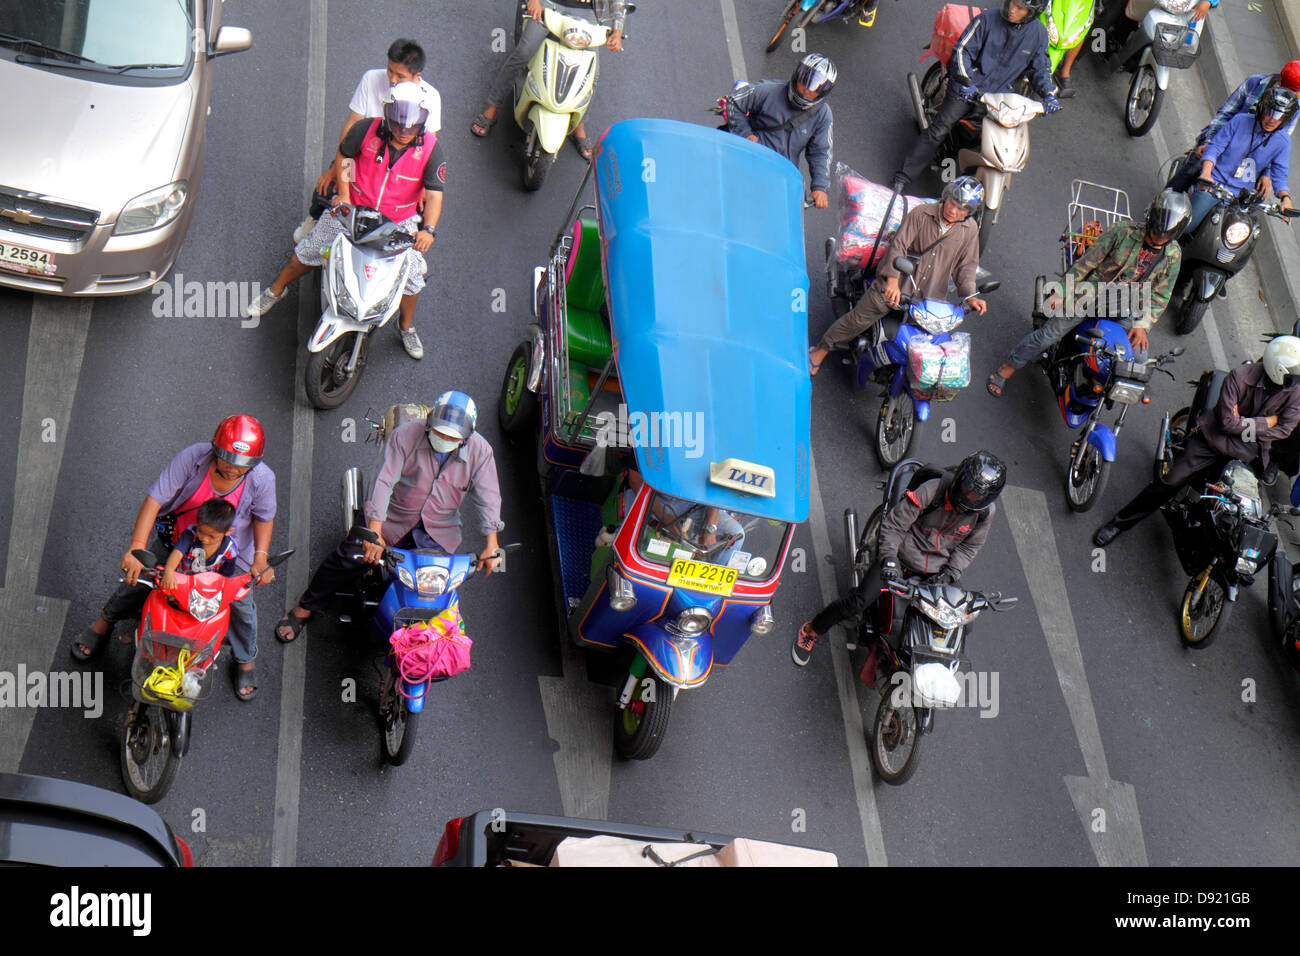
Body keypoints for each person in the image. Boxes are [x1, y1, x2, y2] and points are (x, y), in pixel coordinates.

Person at [71, 415, 278, 701]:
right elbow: (155, 499)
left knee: (242, 604)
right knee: (140, 579)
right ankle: (105, 621)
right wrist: (136, 547)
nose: (232, 469)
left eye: (241, 466)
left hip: (232, 552)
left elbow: (264, 518)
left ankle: (245, 658)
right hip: (181, 540)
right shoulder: (192, 459)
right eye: (227, 460)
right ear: (215, 450)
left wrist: (260, 558)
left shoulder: (263, 479)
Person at [275, 391, 505, 642]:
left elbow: (489, 496)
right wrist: (374, 532)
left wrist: (491, 543)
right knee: (348, 558)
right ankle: (306, 607)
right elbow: (382, 482)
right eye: (439, 433)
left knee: (434, 593)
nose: (444, 438)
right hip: (391, 519)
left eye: (452, 437)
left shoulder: (481, 452)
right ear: (429, 423)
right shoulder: (405, 435)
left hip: (438, 531)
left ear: (466, 437)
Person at [245, 83, 446, 360]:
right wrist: (345, 193)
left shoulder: (432, 149)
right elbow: (344, 156)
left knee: (412, 277)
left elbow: (434, 195)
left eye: (410, 128)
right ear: (387, 117)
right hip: (354, 210)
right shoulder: (365, 130)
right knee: (309, 250)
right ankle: (275, 290)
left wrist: (428, 230)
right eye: (398, 127)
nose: (403, 133)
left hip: (398, 221)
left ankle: (406, 327)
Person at [792, 451, 1005, 666]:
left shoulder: (985, 514)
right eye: (967, 488)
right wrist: (890, 560)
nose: (969, 495)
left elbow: (969, 548)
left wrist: (950, 573)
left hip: (937, 571)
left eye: (976, 496)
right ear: (961, 478)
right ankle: (813, 629)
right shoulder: (932, 490)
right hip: (901, 557)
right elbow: (894, 526)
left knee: (961, 624)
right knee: (859, 601)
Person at [1094, 337, 1300, 547]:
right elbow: (1227, 423)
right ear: (1279, 370)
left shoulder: (1295, 392)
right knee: (1170, 482)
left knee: (1245, 511)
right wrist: (1265, 423)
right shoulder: (1239, 377)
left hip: (1248, 449)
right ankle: (1119, 523)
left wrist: (1245, 424)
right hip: (1213, 438)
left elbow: (1284, 428)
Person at [987, 188, 1189, 396]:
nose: (1157, 239)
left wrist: (1143, 325)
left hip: (1126, 306)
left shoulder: (1173, 255)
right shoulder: (1122, 232)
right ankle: (1007, 368)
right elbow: (1086, 264)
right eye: (1155, 233)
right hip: (1091, 293)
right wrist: (1063, 291)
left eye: (1164, 237)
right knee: (1047, 336)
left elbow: (1160, 295)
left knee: (1138, 360)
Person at [809, 176, 986, 376]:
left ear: (968, 212)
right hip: (899, 282)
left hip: (929, 295)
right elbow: (899, 245)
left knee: (931, 342)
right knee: (859, 319)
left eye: (961, 209)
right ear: (947, 197)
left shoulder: (969, 230)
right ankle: (821, 350)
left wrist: (971, 296)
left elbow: (967, 266)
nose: (953, 211)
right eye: (953, 203)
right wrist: (892, 280)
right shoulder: (921, 214)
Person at [895, 0, 1060, 189]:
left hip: (998, 99)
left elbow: (1040, 68)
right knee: (939, 130)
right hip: (967, 87)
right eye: (1012, 3)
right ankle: (903, 177)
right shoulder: (987, 19)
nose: (1012, 10)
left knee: (991, 142)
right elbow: (962, 50)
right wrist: (966, 81)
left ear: (1031, 13)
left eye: (1020, 8)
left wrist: (1048, 94)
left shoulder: (1038, 34)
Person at [296, 39, 442, 242]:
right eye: (390, 71)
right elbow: (351, 127)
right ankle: (315, 222)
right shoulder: (371, 79)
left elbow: (428, 144)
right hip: (361, 157)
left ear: (417, 77)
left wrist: (423, 188)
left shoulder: (431, 98)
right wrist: (335, 170)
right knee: (330, 188)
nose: (392, 79)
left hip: (401, 170)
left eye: (400, 76)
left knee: (422, 212)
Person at [471, 0, 628, 159]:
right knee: (524, 52)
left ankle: (579, 125)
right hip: (549, 3)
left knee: (592, 72)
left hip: (584, 12)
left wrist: (617, 30)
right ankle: (492, 108)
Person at [723, 54, 837, 208]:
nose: (806, 91)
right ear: (797, 77)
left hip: (781, 175)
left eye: (814, 89)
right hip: (749, 157)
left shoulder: (823, 115)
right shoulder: (769, 90)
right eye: (804, 83)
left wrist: (820, 187)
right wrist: (745, 134)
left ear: (822, 93)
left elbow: (821, 152)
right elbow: (734, 101)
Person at [1182, 86, 1296, 235]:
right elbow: (1215, 147)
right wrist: (1206, 173)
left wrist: (1285, 198)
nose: (1271, 120)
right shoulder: (1240, 121)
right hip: (1213, 185)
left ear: (1285, 119)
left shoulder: (1283, 141)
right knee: (1186, 226)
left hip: (1241, 199)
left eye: (1278, 117)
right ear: (1262, 108)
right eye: (1269, 112)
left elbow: (1280, 173)